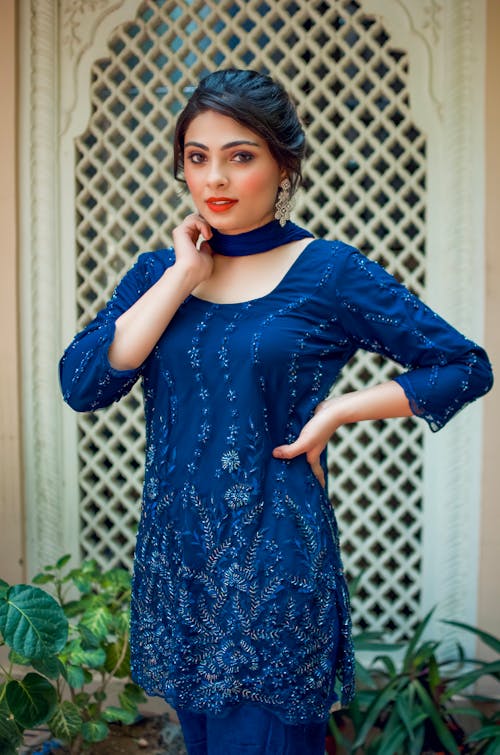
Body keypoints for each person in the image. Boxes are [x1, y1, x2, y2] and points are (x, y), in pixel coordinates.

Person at [59, 68, 493, 755]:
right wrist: (180, 278)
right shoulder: (157, 274)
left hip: (275, 570)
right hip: (182, 569)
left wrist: (338, 412)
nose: (215, 179)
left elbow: (466, 366)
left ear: (282, 164)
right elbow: (84, 384)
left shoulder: (327, 272)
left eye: (241, 156)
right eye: (197, 158)